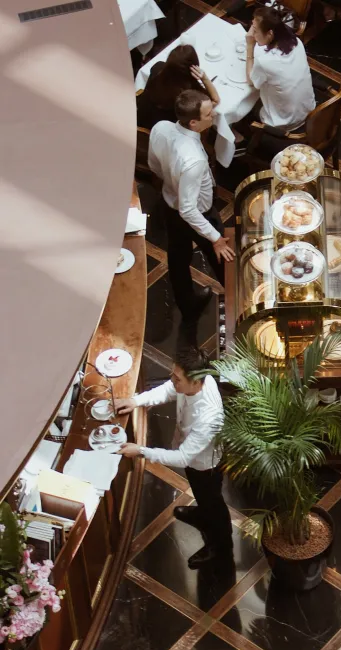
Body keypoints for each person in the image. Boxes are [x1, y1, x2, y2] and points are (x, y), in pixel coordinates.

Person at [116, 345, 233, 568]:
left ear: (196, 382)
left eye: (177, 378)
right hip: (193, 458)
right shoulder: (190, 383)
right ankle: (202, 514)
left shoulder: (209, 417)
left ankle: (220, 546)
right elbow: (169, 389)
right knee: (202, 496)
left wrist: (140, 450)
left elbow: (182, 458)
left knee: (213, 503)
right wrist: (135, 401)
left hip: (205, 466)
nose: (172, 380)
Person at [148, 90, 235, 322]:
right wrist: (214, 238)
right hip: (200, 213)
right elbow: (188, 209)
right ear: (194, 122)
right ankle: (238, 303)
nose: (213, 115)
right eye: (209, 114)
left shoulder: (160, 128)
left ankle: (188, 304)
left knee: (177, 258)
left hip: (169, 205)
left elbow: (153, 165)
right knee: (224, 260)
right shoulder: (194, 159)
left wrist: (171, 182)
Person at [246, 7, 315, 129]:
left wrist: (250, 46)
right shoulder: (297, 42)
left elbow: (251, 81)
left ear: (270, 33)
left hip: (284, 122)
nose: (253, 35)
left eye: (255, 31)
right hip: (308, 111)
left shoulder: (265, 62)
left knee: (246, 103)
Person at [137, 44, 220, 129]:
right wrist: (204, 78)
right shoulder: (188, 94)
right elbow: (215, 100)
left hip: (141, 120)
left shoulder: (157, 68)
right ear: (193, 68)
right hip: (166, 132)